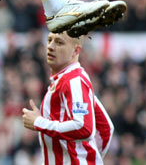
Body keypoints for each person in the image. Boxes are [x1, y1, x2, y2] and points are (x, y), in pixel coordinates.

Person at [22, 32, 114, 164]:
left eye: (59, 42)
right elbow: (106, 128)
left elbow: (83, 127)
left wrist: (39, 122)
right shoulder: (70, 79)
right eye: (49, 40)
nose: (50, 47)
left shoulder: (74, 80)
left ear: (76, 50)